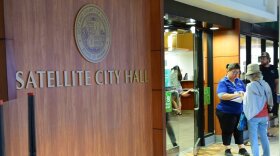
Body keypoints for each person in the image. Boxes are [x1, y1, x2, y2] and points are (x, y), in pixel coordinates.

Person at [216, 63, 250, 156]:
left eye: (238, 72)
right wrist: (237, 94)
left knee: (239, 129)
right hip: (226, 111)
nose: (236, 74)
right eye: (234, 72)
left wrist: (244, 95)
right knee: (227, 130)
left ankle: (241, 148)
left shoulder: (239, 81)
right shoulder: (223, 82)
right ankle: (227, 149)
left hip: (239, 110)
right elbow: (221, 95)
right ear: (228, 71)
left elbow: (245, 93)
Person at [243, 64, 273, 156]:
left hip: (254, 117)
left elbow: (248, 102)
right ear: (258, 73)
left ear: (250, 75)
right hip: (264, 116)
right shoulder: (265, 84)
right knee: (264, 137)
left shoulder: (250, 86)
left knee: (254, 139)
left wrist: (242, 96)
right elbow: (270, 99)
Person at [259, 52, 279, 118]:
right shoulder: (259, 68)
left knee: (273, 109)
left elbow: (276, 81)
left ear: (268, 59)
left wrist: (277, 91)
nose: (262, 60)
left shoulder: (273, 68)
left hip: (272, 92)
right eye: (261, 58)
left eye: (263, 58)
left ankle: (273, 119)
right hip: (262, 93)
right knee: (264, 109)